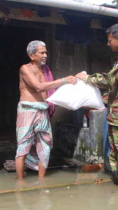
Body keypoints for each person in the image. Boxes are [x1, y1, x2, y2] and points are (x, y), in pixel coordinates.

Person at [76, 23, 118, 189]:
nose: (108, 43)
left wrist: (86, 78)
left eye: (109, 40)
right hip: (116, 115)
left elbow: (108, 80)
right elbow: (117, 88)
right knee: (115, 153)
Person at [16, 40, 76, 180]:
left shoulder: (46, 70)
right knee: (23, 147)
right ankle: (20, 183)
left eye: (46, 52)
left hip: (42, 111)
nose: (45, 55)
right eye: (41, 52)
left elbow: (49, 89)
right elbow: (38, 87)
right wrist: (64, 81)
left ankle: (41, 180)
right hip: (27, 110)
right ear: (32, 55)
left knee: (45, 146)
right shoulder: (25, 68)